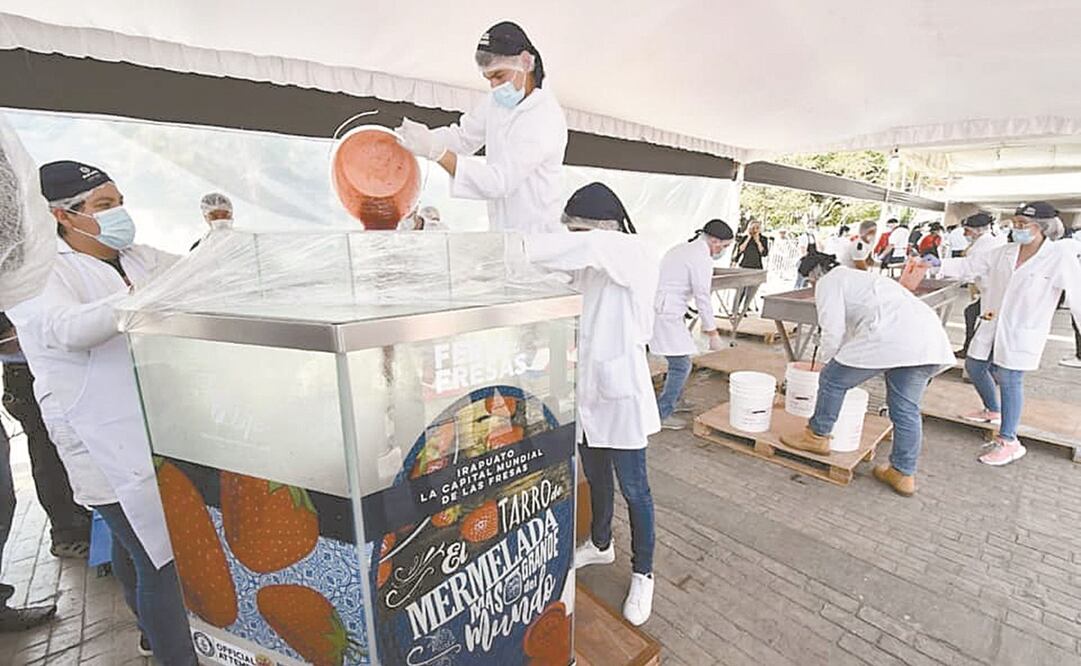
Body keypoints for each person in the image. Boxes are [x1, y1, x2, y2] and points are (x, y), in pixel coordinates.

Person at [8, 161, 197, 664]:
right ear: (63, 216)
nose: (120, 215)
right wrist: (145, 298)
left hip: (149, 423)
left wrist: (217, 248)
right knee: (162, 561)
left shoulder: (133, 256)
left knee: (137, 549)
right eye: (105, 206)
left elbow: (194, 271)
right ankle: (174, 651)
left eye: (119, 201)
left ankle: (149, 633)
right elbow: (67, 329)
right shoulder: (38, 274)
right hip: (99, 434)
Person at [512, 182, 659, 626]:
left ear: (600, 224)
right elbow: (554, 276)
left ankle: (643, 572)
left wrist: (515, 243)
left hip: (623, 396)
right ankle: (600, 543)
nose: (573, 239)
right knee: (595, 477)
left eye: (576, 229)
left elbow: (587, 246)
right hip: (590, 393)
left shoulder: (631, 252)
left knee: (635, 489)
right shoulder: (591, 261)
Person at [780, 252, 954, 496]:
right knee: (905, 409)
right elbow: (855, 327)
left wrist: (830, 364)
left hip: (890, 335)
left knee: (832, 380)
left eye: (809, 281)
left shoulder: (829, 282)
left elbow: (832, 328)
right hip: (927, 339)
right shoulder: (861, 278)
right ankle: (903, 472)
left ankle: (817, 436)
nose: (811, 285)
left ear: (815, 273)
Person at [939, 202, 1081, 466]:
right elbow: (971, 265)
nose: (1016, 229)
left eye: (1022, 225)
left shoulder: (1058, 258)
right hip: (993, 320)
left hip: (1023, 329)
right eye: (1015, 223)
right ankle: (993, 410)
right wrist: (938, 264)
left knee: (1009, 378)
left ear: (1042, 228)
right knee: (975, 365)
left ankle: (1009, 441)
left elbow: (1078, 297)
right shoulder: (1005, 252)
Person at [397, 22, 567, 233]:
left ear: (525, 62)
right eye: (488, 79)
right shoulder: (498, 101)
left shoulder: (544, 118)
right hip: (503, 234)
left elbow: (499, 181)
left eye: (499, 76)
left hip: (537, 239)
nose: (494, 86)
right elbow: (463, 137)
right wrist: (420, 138)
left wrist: (437, 151)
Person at [0, 313, 90, 558]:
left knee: (63, 450)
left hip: (48, 362)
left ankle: (78, 522)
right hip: (25, 370)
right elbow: (9, 339)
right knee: (48, 454)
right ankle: (67, 532)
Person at [650, 220, 734, 431]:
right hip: (666, 313)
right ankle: (662, 413)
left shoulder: (682, 249)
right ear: (714, 241)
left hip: (664, 309)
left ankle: (673, 401)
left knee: (681, 361)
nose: (722, 251)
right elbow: (702, 296)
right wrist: (713, 332)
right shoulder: (700, 258)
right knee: (681, 365)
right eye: (723, 246)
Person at [954, 213, 1007, 358]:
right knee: (974, 314)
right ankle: (971, 349)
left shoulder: (986, 244)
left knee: (976, 315)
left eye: (967, 230)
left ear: (979, 230)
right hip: (989, 290)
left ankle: (973, 351)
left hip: (992, 291)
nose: (965, 234)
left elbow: (970, 267)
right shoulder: (989, 239)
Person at [733, 219, 769, 311]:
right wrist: (749, 237)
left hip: (757, 266)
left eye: (757, 228)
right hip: (744, 265)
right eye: (753, 228)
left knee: (751, 291)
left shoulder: (763, 239)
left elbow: (764, 253)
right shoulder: (744, 238)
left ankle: (744, 309)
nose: (755, 230)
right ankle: (735, 309)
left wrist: (758, 242)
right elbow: (740, 250)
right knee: (740, 290)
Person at [794, 221, 819, 288]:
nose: (811, 228)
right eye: (809, 227)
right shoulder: (803, 237)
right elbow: (802, 250)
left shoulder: (814, 237)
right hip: (804, 261)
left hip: (812, 261)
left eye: (813, 227)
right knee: (800, 280)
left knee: (808, 280)